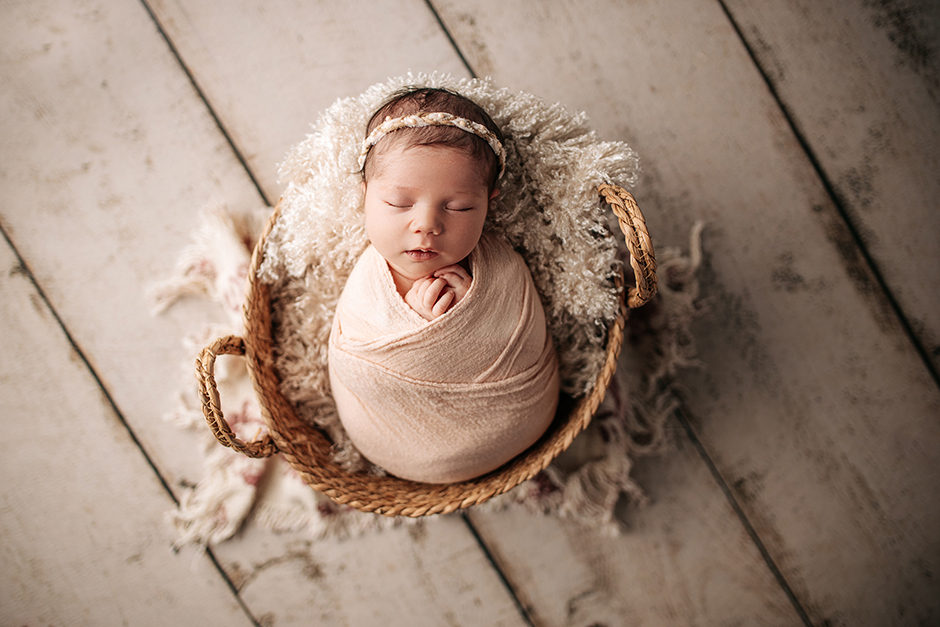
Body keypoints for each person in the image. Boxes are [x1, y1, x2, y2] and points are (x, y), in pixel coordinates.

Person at [328, 87, 559, 483]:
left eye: (459, 207)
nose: (427, 224)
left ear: (489, 202)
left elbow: (521, 332)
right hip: (394, 440)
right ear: (365, 196)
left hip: (516, 423)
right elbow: (358, 358)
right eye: (399, 203)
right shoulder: (368, 281)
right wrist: (414, 324)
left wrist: (475, 310)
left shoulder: (500, 266)